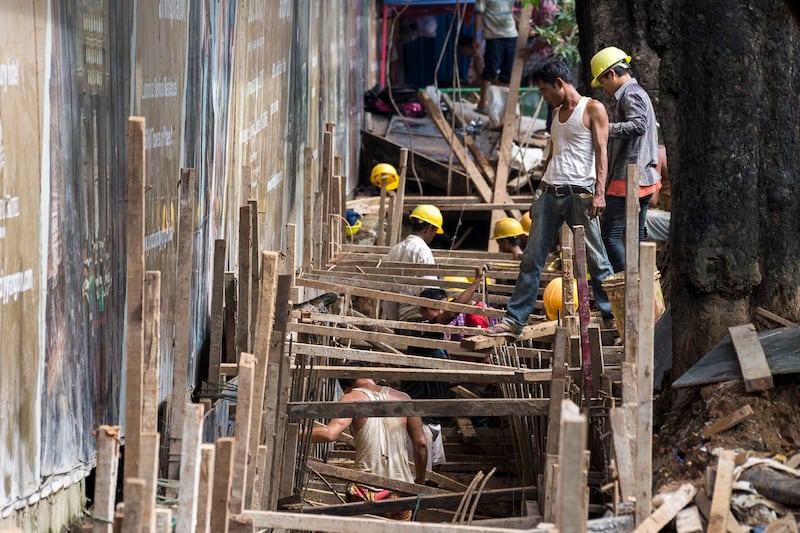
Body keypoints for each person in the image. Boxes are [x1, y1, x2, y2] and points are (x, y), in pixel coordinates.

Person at [484, 58, 616, 338]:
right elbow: (552, 155)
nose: (543, 96)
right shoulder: (555, 114)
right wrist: (538, 193)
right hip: (549, 192)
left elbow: (603, 153)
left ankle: (611, 316)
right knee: (532, 259)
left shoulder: (593, 108)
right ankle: (514, 321)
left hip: (580, 193)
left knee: (597, 259)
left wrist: (600, 193)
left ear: (559, 83)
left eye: (544, 90)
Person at [403, 266, 489, 468]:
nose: (440, 312)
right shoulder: (422, 331)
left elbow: (440, 379)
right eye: (435, 308)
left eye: (442, 307)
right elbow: (450, 314)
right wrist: (476, 282)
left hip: (432, 417)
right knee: (417, 473)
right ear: (422, 309)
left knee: (434, 469)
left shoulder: (438, 341)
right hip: (419, 418)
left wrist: (475, 369)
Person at [309, 376, 428, 520]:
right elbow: (421, 443)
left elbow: (329, 434)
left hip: (363, 490)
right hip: (400, 491)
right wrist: (420, 484)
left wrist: (292, 432)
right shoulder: (404, 398)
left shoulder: (350, 398)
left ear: (346, 387)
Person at [590, 46, 661, 273]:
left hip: (629, 178)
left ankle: (630, 283)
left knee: (610, 236)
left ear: (611, 74)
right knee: (634, 236)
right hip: (643, 177)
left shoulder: (631, 93)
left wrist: (605, 128)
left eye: (603, 82)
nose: (605, 89)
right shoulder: (637, 93)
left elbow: (638, 126)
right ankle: (641, 285)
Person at [382, 204, 444, 323]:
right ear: (429, 228)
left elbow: (388, 288)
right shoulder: (422, 250)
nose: (433, 236)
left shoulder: (395, 249)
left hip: (399, 318)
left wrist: (394, 320)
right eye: (434, 231)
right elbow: (430, 291)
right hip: (418, 317)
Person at [474, 0, 518, 113]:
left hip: (511, 34)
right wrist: (476, 37)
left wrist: (522, 25)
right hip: (493, 36)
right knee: (490, 70)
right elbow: (479, 15)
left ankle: (504, 107)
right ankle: (482, 104)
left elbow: (512, 12)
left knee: (507, 72)